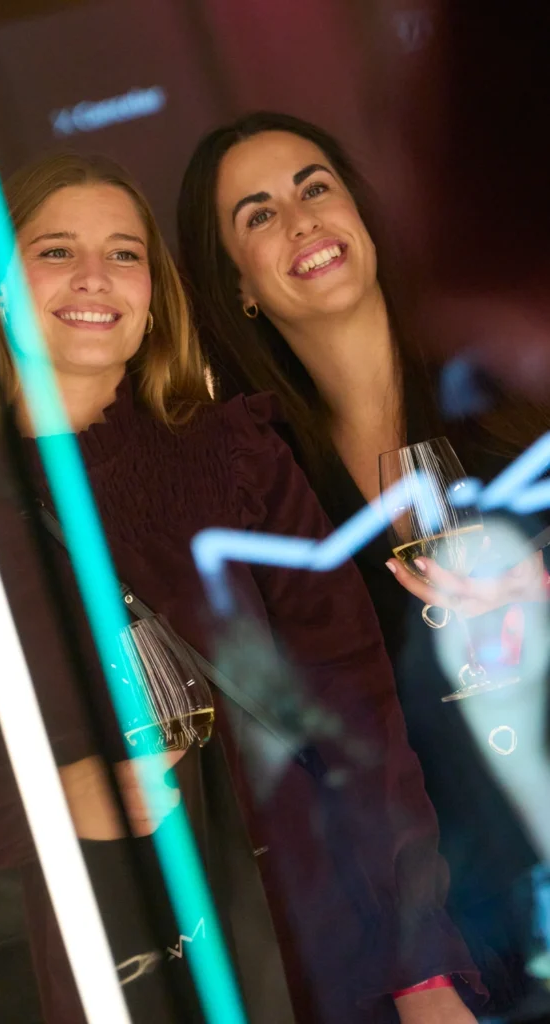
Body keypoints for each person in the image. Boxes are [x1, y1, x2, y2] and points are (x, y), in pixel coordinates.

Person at [0, 151, 479, 1023]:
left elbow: (357, 715)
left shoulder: (235, 453)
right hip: (150, 968)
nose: (93, 276)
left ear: (153, 295)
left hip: (335, 940)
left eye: (123, 253)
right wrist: (62, 794)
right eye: (54, 250)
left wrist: (421, 970)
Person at [177, 110, 550, 1017]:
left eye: (314, 187)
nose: (300, 218)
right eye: (258, 214)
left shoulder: (514, 371)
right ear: (239, 286)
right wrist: (421, 974)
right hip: (478, 927)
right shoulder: (267, 495)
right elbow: (322, 763)